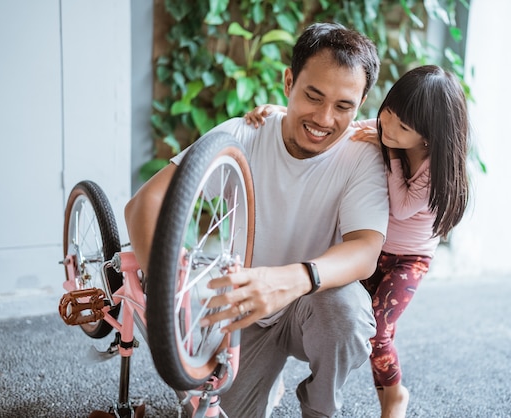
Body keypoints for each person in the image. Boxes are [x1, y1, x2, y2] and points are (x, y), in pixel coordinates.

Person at [124, 22, 389, 417]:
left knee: (347, 310)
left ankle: (321, 409)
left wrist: (288, 280)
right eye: (313, 96)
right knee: (210, 409)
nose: (324, 118)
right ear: (288, 82)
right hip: (245, 306)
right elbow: (144, 204)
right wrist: (168, 295)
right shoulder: (242, 135)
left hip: (309, 304)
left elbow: (365, 249)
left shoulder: (361, 156)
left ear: (362, 102)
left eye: (344, 106)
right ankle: (263, 376)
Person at [245, 65, 470, 418]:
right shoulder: (383, 133)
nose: (388, 127)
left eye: (403, 127)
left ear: (428, 138)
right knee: (328, 313)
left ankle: (393, 396)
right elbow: (335, 129)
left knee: (378, 333)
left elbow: (404, 203)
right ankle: (271, 373)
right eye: (389, 114)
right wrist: (280, 114)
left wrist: (389, 153)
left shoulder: (431, 167)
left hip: (408, 259)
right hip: (373, 248)